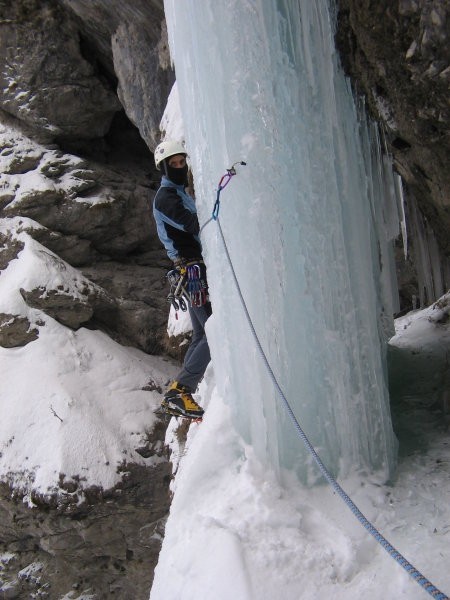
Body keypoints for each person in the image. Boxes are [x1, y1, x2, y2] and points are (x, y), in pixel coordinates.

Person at [152, 140, 211, 419]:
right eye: (173, 164)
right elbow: (191, 223)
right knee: (213, 332)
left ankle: (182, 390)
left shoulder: (176, 193)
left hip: (191, 272)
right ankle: (180, 391)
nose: (179, 167)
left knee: (202, 333)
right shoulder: (165, 197)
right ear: (164, 168)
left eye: (181, 162)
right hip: (192, 271)